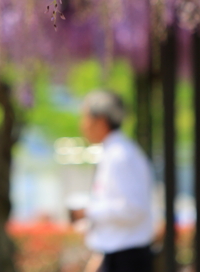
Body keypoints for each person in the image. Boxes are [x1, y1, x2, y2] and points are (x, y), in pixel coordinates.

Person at [70, 90, 154, 272]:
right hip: (119, 255)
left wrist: (88, 212)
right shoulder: (115, 153)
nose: (82, 125)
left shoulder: (120, 156)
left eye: (85, 117)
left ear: (100, 121)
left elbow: (133, 208)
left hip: (126, 258)